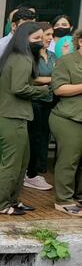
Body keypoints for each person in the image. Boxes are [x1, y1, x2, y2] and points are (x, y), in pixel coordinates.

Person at [0, 22, 49, 215]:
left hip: (9, 117)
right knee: (12, 166)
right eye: (37, 39)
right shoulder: (22, 59)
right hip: (12, 119)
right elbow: (19, 88)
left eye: (42, 38)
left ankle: (13, 200)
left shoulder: (14, 56)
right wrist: (43, 91)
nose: (41, 42)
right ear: (24, 39)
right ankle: (1, 205)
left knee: (21, 164)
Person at [0, 7, 37, 201]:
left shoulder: (28, 48)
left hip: (18, 104)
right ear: (13, 26)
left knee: (15, 152)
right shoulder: (0, 45)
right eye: (24, 27)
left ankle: (4, 190)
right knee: (0, 148)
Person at [49, 29, 82, 216]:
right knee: (69, 159)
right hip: (68, 118)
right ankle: (64, 200)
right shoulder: (66, 61)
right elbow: (59, 89)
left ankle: (79, 195)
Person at [24, 22, 56, 191]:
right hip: (35, 101)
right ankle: (30, 174)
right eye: (47, 35)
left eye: (52, 35)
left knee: (43, 137)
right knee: (33, 137)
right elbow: (32, 78)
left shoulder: (52, 56)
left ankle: (35, 171)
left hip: (49, 101)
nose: (50, 38)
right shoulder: (31, 55)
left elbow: (60, 74)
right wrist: (52, 79)